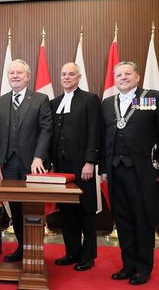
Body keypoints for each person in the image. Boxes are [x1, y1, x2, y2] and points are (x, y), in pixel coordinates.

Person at [100, 61, 159, 285]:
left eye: (127, 74)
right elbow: (104, 140)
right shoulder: (107, 103)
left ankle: (143, 268)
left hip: (144, 173)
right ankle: (128, 265)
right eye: (118, 75)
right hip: (116, 172)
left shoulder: (151, 98)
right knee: (123, 220)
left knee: (142, 220)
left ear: (137, 76)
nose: (122, 78)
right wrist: (104, 169)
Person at [0, 59, 52, 262]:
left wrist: (38, 156)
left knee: (33, 208)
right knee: (15, 208)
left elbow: (46, 130)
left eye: (19, 73)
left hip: (33, 164)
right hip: (8, 164)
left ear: (28, 76)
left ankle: (34, 249)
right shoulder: (0, 101)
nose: (15, 76)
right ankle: (21, 247)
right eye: (12, 73)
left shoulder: (40, 99)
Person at [50, 62, 101, 271]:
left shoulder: (90, 99)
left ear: (79, 77)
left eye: (71, 74)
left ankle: (88, 256)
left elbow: (95, 132)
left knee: (85, 210)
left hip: (83, 166)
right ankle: (71, 252)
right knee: (66, 211)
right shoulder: (54, 103)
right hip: (60, 166)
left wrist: (90, 161)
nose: (67, 78)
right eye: (63, 74)